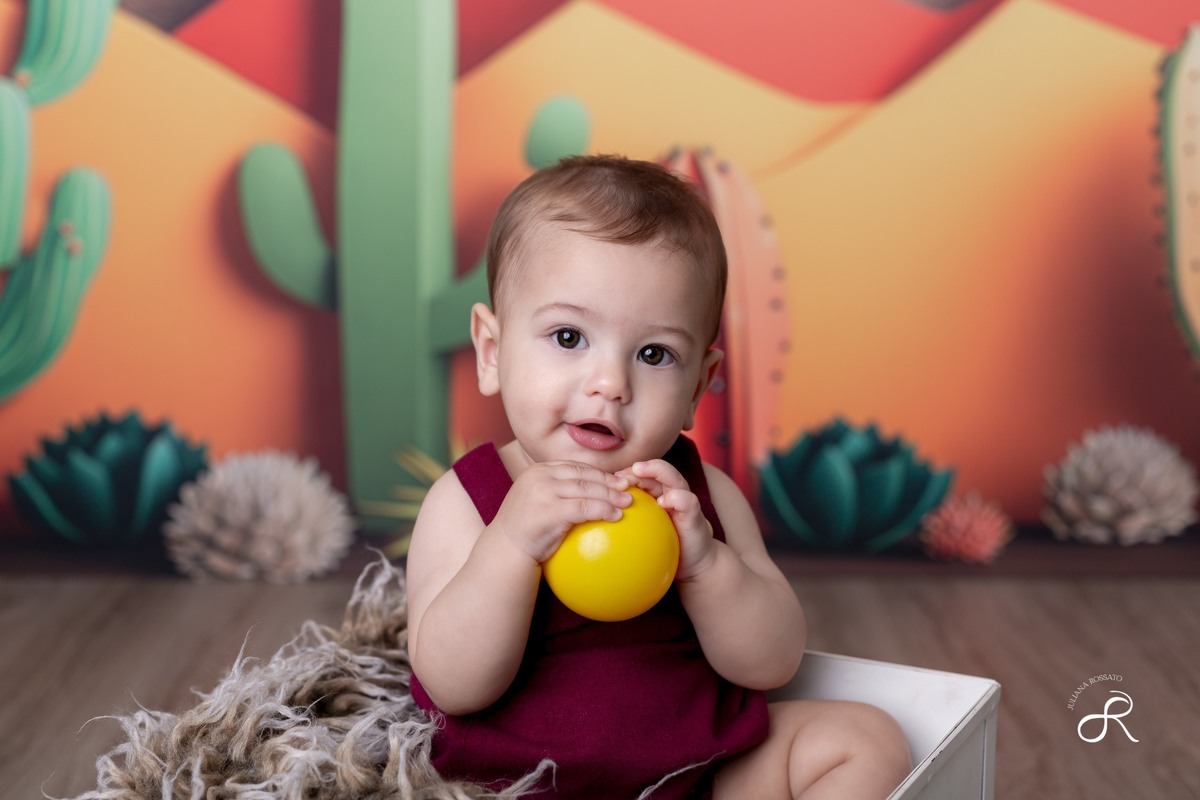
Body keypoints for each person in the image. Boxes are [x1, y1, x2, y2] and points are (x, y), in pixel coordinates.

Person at [406, 154, 912, 799]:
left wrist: (705, 565)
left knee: (863, 741)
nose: (611, 383)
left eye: (654, 354)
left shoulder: (701, 499)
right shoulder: (468, 502)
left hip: (700, 775)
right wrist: (510, 546)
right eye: (568, 337)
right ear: (491, 352)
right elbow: (452, 682)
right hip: (522, 786)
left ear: (700, 384)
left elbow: (774, 661)